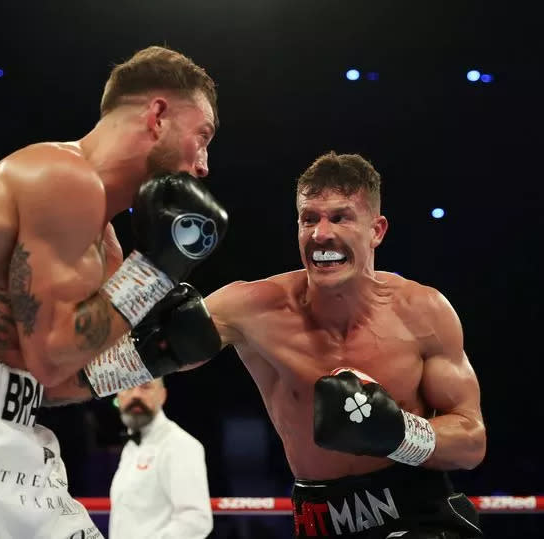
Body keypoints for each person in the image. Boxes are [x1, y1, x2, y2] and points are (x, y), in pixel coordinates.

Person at [0, 45, 228, 539]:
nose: (203, 165)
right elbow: (53, 354)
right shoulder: (61, 176)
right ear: (157, 115)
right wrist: (154, 273)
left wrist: (155, 357)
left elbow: (55, 382)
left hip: (22, 434)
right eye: (202, 136)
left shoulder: (108, 249)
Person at [201, 151, 487, 538]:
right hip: (320, 520)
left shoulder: (424, 312)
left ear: (377, 230)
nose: (321, 234)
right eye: (309, 219)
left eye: (340, 217)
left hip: (417, 513)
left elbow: (471, 443)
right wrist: (149, 270)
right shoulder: (250, 309)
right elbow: (152, 349)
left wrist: (399, 434)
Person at [108, 378, 213, 539]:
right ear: (118, 396)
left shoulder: (180, 445)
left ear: (162, 395)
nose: (136, 394)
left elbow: (196, 519)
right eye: (127, 387)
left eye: (146, 387)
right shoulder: (131, 447)